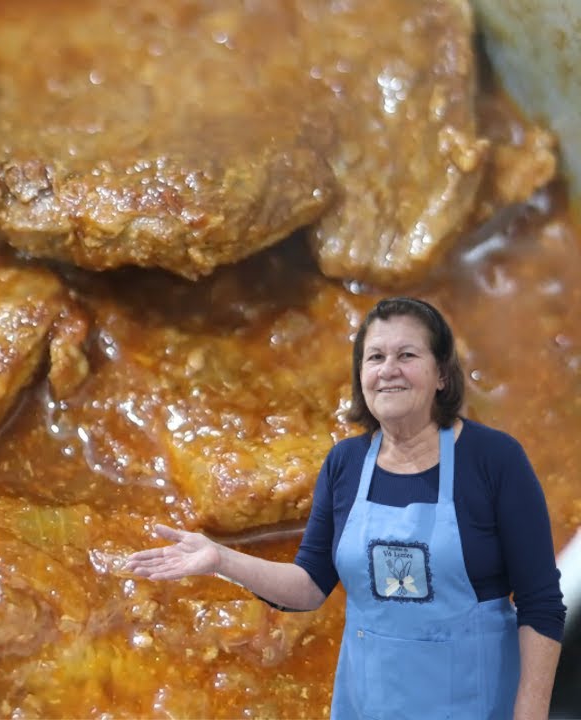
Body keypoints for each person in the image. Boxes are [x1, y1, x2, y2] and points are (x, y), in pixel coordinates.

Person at [123, 296, 566, 719]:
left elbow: (540, 602)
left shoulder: (494, 459)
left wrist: (529, 714)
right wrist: (219, 558)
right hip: (369, 704)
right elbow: (309, 586)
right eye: (374, 358)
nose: (388, 370)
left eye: (407, 355)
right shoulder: (346, 463)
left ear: (442, 375)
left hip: (475, 703)